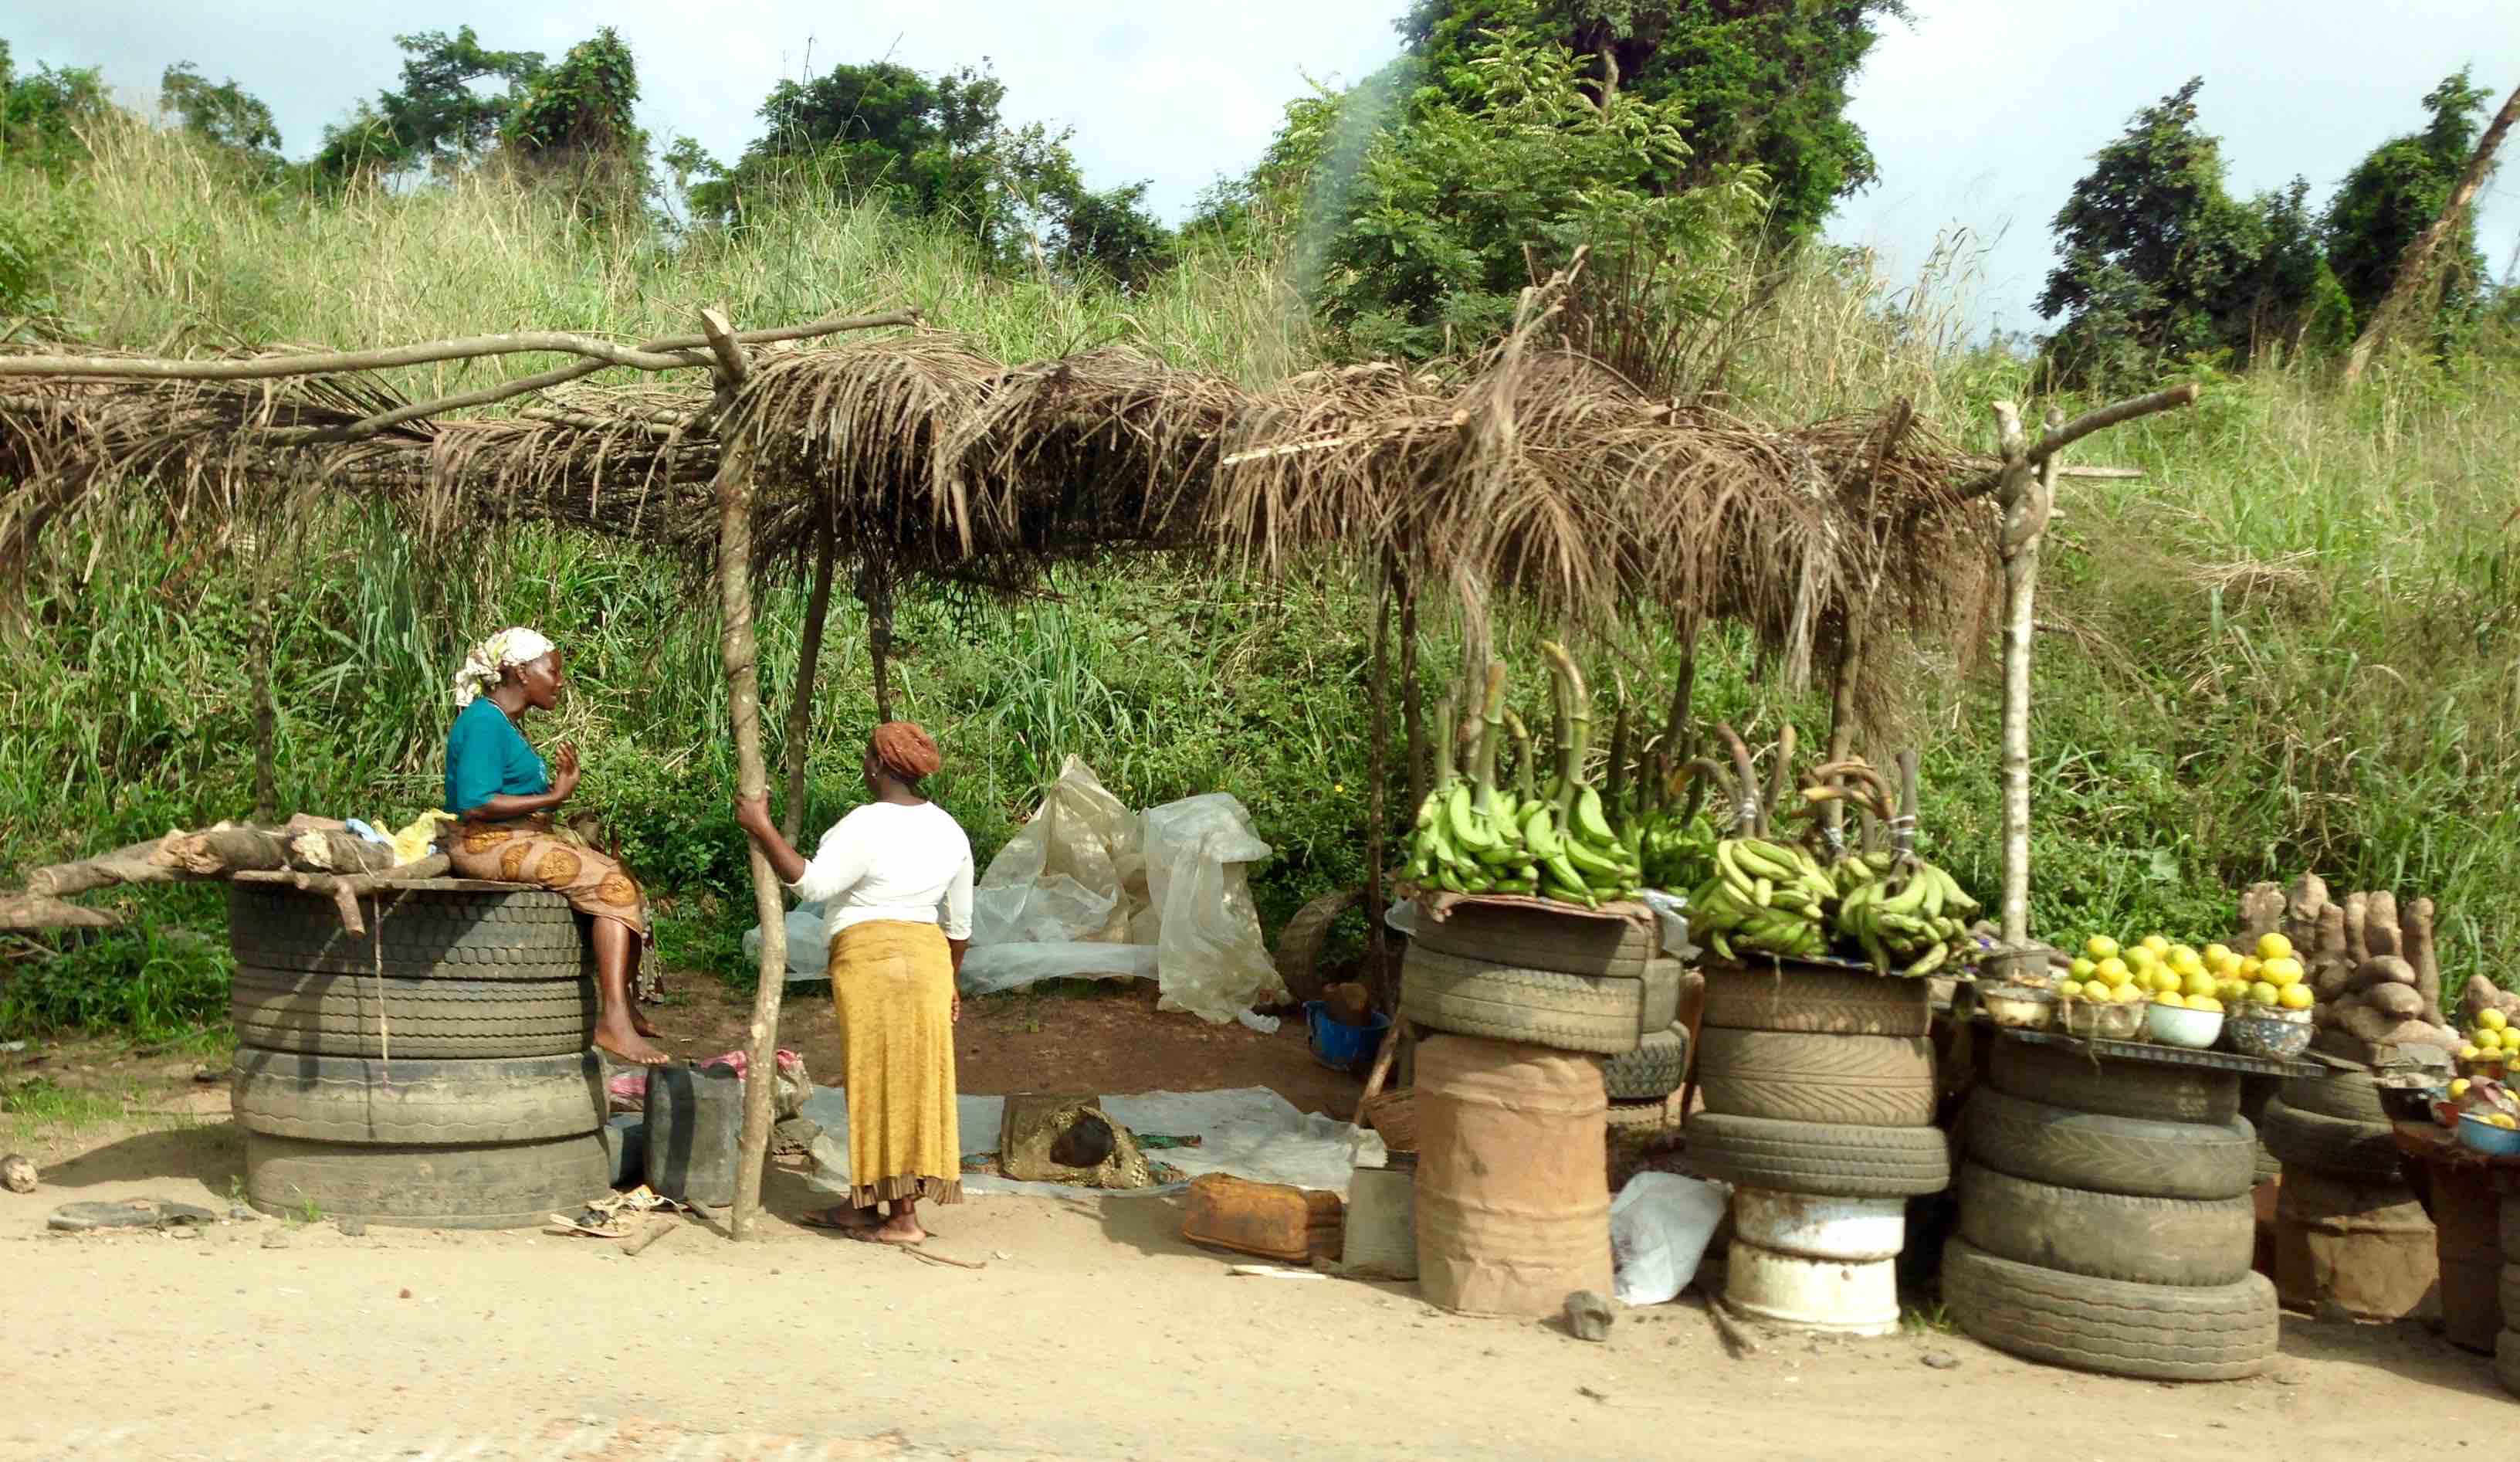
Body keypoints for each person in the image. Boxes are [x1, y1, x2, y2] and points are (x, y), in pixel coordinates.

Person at [734, 720, 973, 1245]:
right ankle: (869, 1202)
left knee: (877, 1079)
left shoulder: (865, 825)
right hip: (929, 961)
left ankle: (902, 1217)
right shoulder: (950, 830)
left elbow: (811, 883)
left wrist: (762, 825)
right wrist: (950, 984)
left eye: (867, 757)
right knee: (914, 1080)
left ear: (878, 766)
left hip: (871, 961)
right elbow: (959, 926)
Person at [440, 626, 669, 1066]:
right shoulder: (486, 723)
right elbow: (476, 802)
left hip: (513, 835)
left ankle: (625, 1005)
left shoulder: (502, 722)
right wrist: (555, 798)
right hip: (486, 842)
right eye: (554, 671)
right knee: (612, 887)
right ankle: (613, 1022)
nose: (560, 681)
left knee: (623, 876)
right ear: (522, 673)